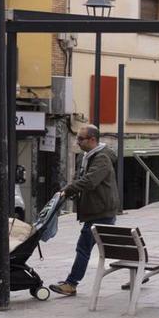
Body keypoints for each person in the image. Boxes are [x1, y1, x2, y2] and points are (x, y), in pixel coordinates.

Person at [49, 125, 120, 297]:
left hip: (101, 212)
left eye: (81, 139)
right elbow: (80, 179)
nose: (77, 141)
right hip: (96, 211)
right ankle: (139, 267)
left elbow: (89, 181)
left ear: (92, 140)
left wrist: (67, 190)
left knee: (83, 247)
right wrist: (70, 194)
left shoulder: (102, 158)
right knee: (108, 247)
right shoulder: (86, 156)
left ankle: (71, 283)